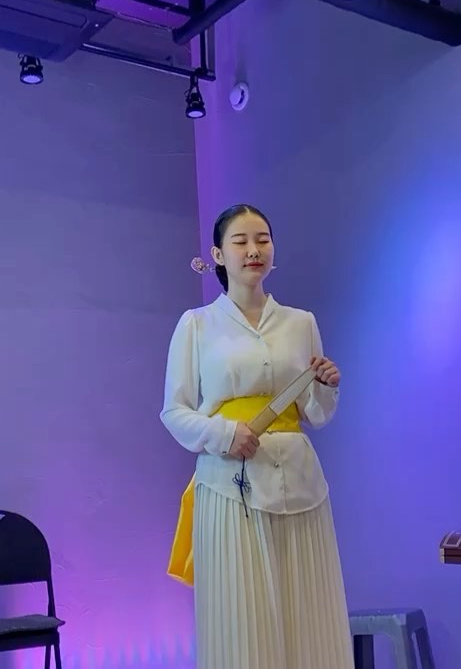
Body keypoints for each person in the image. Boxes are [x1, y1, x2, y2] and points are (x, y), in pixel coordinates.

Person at [160, 204, 354, 669]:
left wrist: (327, 386)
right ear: (218, 255)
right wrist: (224, 434)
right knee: (241, 617)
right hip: (229, 484)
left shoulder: (301, 323)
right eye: (241, 241)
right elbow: (175, 412)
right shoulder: (196, 324)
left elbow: (315, 413)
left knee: (308, 609)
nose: (253, 250)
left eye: (262, 240)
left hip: (301, 483)